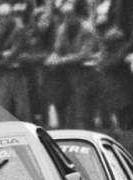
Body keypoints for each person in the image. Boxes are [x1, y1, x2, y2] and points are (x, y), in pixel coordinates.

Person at [46, 0, 99, 128]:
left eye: (70, 15)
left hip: (87, 75)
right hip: (68, 76)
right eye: (64, 15)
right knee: (65, 108)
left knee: (84, 113)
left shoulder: (87, 29)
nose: (66, 18)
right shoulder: (63, 28)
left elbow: (84, 54)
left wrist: (61, 60)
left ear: (78, 14)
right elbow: (57, 49)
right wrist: (53, 57)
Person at [0, 2, 30, 122]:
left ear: (11, 16)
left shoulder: (19, 29)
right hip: (1, 72)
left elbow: (16, 50)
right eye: (1, 16)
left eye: (6, 16)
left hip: (17, 72)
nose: (3, 19)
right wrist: (0, 56)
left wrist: (4, 56)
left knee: (21, 107)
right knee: (1, 106)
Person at [97, 25, 133, 130]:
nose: (114, 44)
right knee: (123, 126)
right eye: (111, 41)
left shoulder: (131, 51)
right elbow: (108, 64)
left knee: (132, 127)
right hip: (119, 98)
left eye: (117, 41)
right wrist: (125, 51)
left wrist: (129, 52)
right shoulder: (106, 54)